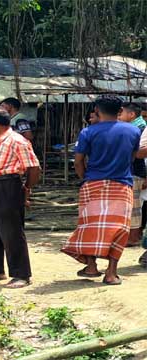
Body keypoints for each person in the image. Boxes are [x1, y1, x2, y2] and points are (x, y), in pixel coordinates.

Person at [63, 96, 140, 285]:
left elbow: (79, 162)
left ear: (97, 109)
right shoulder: (133, 131)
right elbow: (132, 157)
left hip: (93, 183)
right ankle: (111, 273)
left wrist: (85, 179)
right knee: (119, 228)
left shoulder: (87, 132)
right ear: (120, 110)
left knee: (91, 226)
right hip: (121, 184)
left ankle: (91, 267)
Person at [0, 106, 40, 289]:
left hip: (6, 185)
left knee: (11, 231)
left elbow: (34, 167)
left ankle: (21, 274)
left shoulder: (16, 141)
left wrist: (27, 188)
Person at [118, 103, 146, 247]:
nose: (118, 117)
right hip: (135, 171)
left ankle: (134, 237)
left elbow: (140, 153)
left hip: (136, 171)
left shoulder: (138, 128)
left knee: (135, 208)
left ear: (131, 115)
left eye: (120, 114)